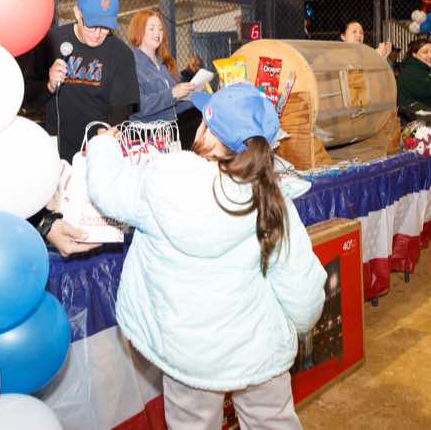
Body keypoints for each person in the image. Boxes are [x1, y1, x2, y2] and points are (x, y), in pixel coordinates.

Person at [85, 84, 327, 429]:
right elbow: (302, 288)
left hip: (187, 354)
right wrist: (296, 327)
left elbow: (107, 190)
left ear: (208, 132)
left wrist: (103, 146)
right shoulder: (273, 202)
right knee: (273, 421)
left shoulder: (161, 181)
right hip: (258, 350)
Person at [19, 0, 140, 256]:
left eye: (105, 27)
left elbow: (121, 113)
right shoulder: (51, 42)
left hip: (95, 153)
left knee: (93, 233)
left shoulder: (120, 54)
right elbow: (25, 97)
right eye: (92, 25)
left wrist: (108, 141)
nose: (98, 34)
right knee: (58, 228)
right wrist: (48, 84)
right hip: (56, 153)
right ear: (76, 13)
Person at [126, 9, 199, 148]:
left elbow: (171, 106)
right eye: (151, 29)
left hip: (168, 134)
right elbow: (137, 107)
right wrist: (172, 94)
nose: (157, 33)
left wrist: (197, 98)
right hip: (144, 138)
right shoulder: (130, 63)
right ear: (139, 31)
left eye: (160, 29)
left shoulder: (162, 65)